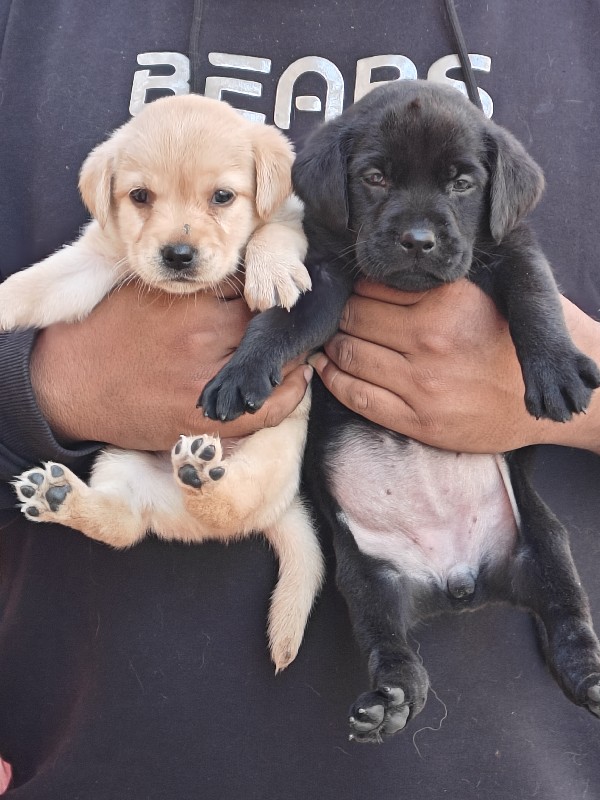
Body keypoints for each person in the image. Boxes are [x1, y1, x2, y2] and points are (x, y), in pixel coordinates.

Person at [1, 0, 599, 797]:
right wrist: (47, 387)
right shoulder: (31, 23)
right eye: (377, 180)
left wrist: (576, 390)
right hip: (101, 768)